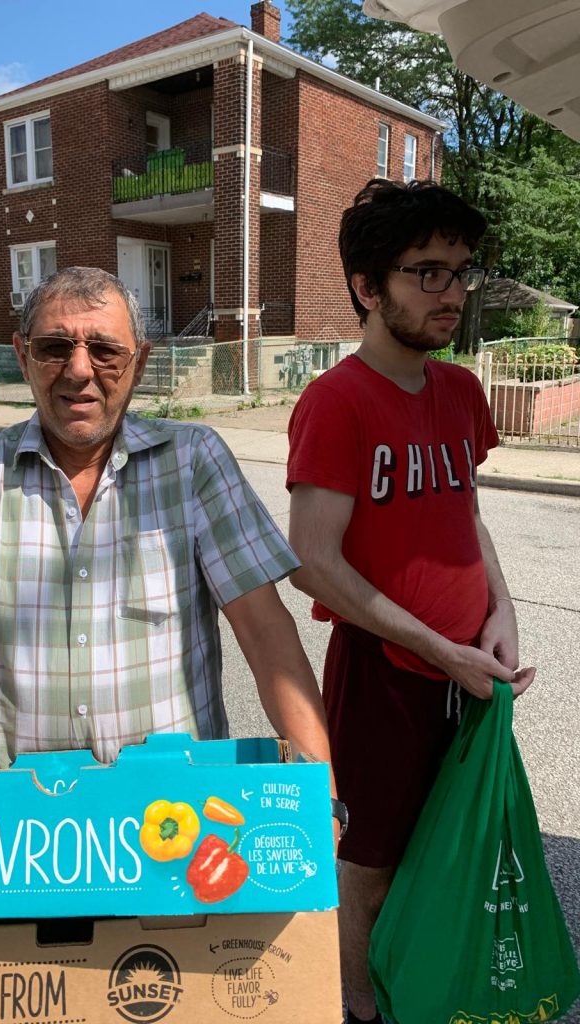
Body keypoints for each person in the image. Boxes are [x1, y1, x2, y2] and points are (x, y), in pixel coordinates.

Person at [0, 267, 336, 809]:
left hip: (175, 817)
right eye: (54, 348)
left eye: (105, 350)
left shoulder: (192, 462)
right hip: (24, 828)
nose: (79, 370)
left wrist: (321, 801)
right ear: (23, 357)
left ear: (139, 364)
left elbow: (266, 635)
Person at [286, 180, 536, 1024]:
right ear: (367, 286)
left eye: (461, 272)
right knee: (372, 863)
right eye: (428, 272)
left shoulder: (461, 391)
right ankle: (360, 1007)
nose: (452, 293)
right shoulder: (336, 402)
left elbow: (465, 514)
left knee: (450, 846)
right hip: (385, 673)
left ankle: (427, 984)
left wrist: (501, 613)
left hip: (467, 668)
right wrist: (439, 648)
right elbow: (312, 564)